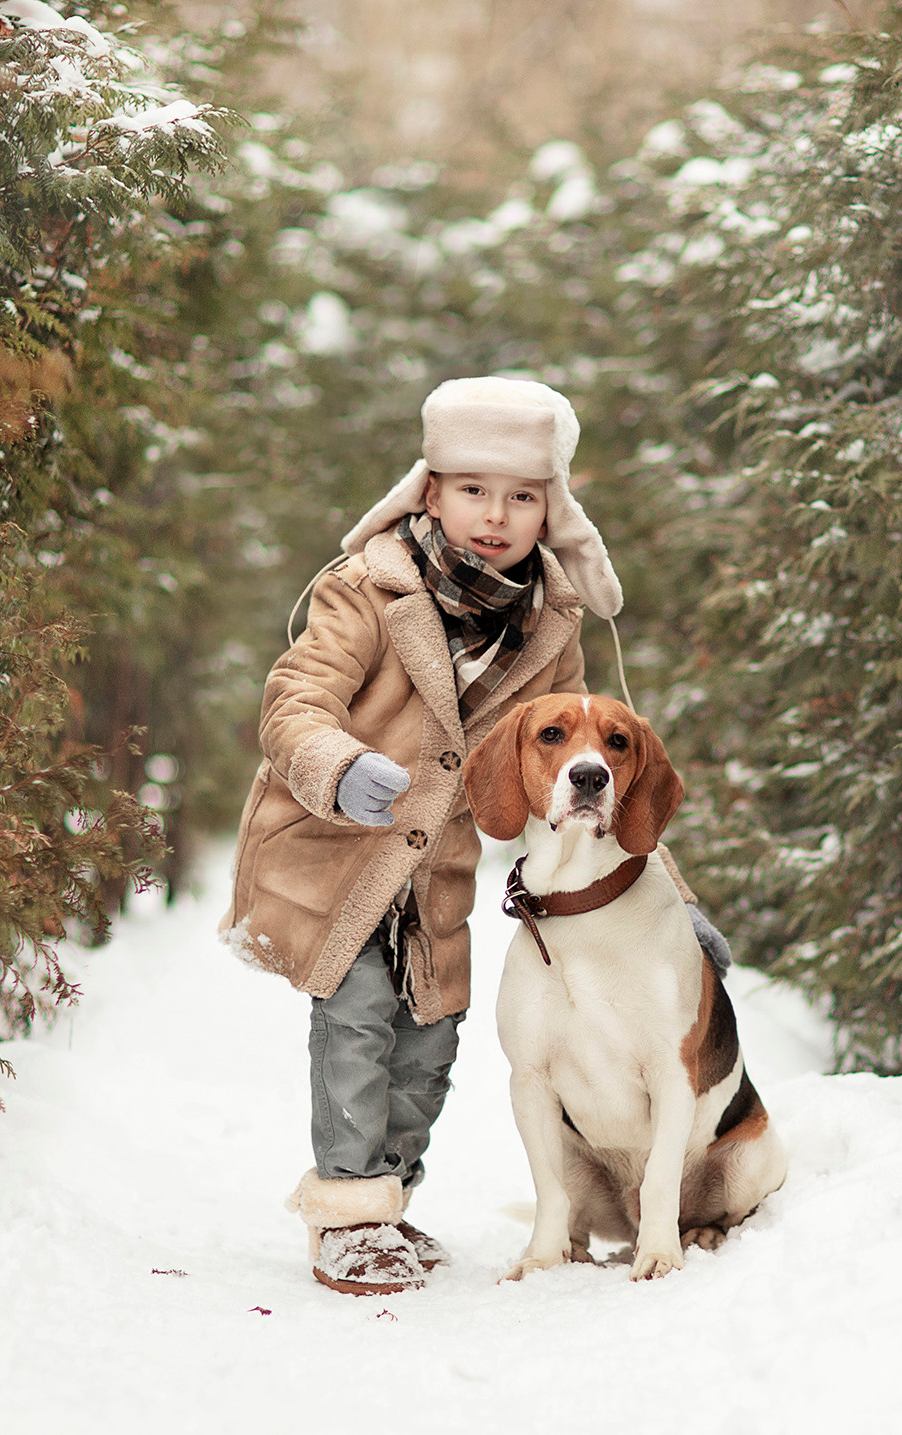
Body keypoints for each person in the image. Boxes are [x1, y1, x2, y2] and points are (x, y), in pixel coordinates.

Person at [219, 375, 727, 1295]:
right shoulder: (367, 590)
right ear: (431, 491)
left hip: (437, 870)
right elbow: (295, 698)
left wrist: (677, 906)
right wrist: (336, 762)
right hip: (337, 850)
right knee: (358, 1024)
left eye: (522, 496)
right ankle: (347, 1215)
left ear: (550, 509)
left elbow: (601, 777)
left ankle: (392, 1203)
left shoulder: (548, 628)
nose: (496, 515)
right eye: (473, 491)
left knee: (430, 1042)